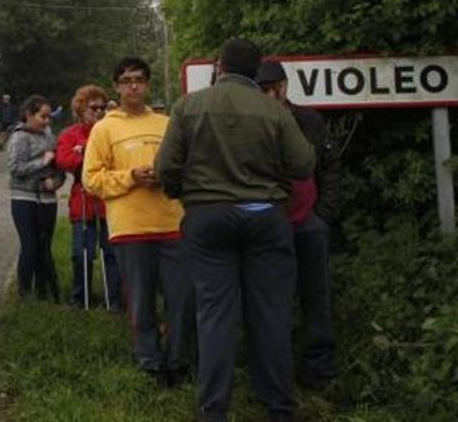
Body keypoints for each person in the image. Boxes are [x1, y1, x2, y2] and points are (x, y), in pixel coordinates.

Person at [156, 38, 315, 422]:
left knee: (215, 315)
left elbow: (166, 168)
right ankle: (278, 406)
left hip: (209, 219)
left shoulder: (188, 106)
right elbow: (303, 164)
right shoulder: (274, 110)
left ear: (219, 67)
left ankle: (214, 409)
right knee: (271, 314)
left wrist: (187, 195)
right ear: (256, 71)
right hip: (265, 218)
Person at [83, 59, 191, 388]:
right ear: (116, 85)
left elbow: (186, 167)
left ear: (147, 84)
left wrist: (165, 177)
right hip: (130, 227)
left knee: (181, 298)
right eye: (127, 80)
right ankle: (149, 361)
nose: (134, 87)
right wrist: (130, 177)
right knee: (141, 301)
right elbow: (91, 179)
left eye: (140, 80)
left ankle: (178, 360)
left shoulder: (167, 123)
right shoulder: (105, 128)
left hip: (172, 223)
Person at [256, 60, 336, 388]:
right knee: (271, 300)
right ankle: (277, 371)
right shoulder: (252, 123)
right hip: (268, 223)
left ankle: (319, 369)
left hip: (307, 222)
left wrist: (324, 213)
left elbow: (328, 166)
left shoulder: (307, 119)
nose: (265, 96)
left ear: (282, 87)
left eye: (268, 89)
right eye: (259, 89)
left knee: (316, 296)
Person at [55, 85, 120, 311]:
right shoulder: (70, 134)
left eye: (103, 107)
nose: (99, 111)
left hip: (108, 200)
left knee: (111, 252)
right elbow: (63, 160)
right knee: (81, 252)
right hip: (82, 200)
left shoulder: (112, 131)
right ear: (81, 109)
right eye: (94, 108)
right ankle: (79, 297)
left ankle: (115, 299)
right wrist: (84, 158)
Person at [7, 95, 64, 302]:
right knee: (29, 245)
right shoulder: (19, 137)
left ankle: (48, 292)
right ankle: (24, 292)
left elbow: (60, 168)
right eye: (43, 117)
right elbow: (15, 168)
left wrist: (56, 182)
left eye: (49, 117)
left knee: (44, 247)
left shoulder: (50, 137)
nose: (47, 121)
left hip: (48, 199)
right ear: (29, 115)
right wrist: (42, 162)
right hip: (24, 198)